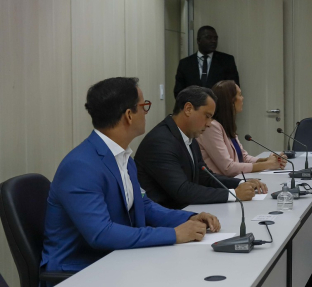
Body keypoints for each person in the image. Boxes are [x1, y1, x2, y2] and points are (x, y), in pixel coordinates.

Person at [41, 77, 221, 275]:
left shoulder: (123, 156)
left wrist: (191, 218)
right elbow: (101, 233)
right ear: (129, 115)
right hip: (80, 270)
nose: (146, 112)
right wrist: (173, 234)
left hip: (117, 258)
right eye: (144, 106)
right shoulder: (80, 166)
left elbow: (143, 206)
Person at [135, 86, 268, 210]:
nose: (209, 123)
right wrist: (234, 194)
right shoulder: (160, 142)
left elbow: (205, 176)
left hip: (187, 211)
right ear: (188, 109)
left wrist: (239, 183)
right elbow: (182, 191)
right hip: (164, 219)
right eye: (207, 116)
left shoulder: (188, 136)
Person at [197, 81, 288, 177]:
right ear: (230, 101)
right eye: (240, 95)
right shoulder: (211, 127)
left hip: (237, 179)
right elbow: (228, 168)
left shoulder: (226, 124)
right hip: (221, 186)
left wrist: (269, 160)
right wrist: (268, 164)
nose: (242, 98)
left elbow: (243, 158)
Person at [173, 26, 240, 98]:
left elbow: (234, 88)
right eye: (209, 37)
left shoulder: (227, 61)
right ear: (198, 40)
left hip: (219, 107)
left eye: (215, 38)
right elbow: (179, 92)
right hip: (194, 107)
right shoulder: (185, 64)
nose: (213, 41)